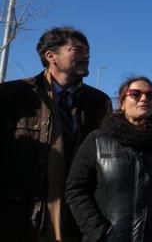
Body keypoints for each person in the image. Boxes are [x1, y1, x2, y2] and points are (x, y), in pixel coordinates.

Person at [0, 27, 111, 241]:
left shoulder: (98, 102)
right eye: (77, 50)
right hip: (19, 217)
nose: (86, 56)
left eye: (88, 51)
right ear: (51, 56)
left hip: (74, 217)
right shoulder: (13, 96)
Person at [65, 76, 152, 241]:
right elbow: (76, 189)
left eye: (150, 95)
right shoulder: (97, 140)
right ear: (122, 103)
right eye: (135, 94)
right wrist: (97, 232)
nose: (144, 98)